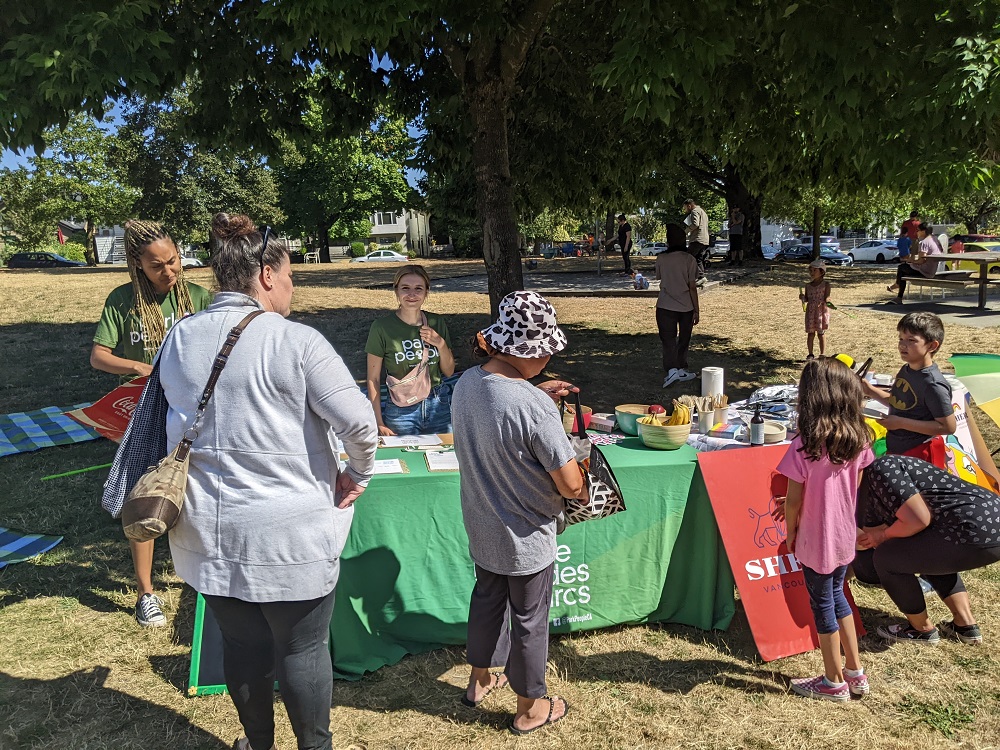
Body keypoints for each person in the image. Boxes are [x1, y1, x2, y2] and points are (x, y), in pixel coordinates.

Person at [157, 213, 378, 750]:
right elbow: (360, 424)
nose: (293, 288)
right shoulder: (296, 341)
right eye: (291, 276)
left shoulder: (180, 337)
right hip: (288, 534)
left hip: (208, 526)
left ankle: (259, 744)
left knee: (242, 644)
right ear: (266, 275)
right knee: (303, 650)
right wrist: (357, 471)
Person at [452, 290, 586, 735]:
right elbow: (569, 482)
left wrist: (536, 396)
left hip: (482, 522)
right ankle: (530, 706)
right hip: (526, 532)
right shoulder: (533, 406)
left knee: (487, 600)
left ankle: (479, 679)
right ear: (533, 351)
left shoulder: (467, 383)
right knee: (530, 619)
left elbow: (501, 407)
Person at [91, 219, 213, 627]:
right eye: (157, 265)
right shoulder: (122, 300)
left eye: (174, 261)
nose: (169, 271)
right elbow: (99, 356)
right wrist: (143, 367)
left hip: (189, 411)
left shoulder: (197, 297)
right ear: (137, 263)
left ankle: (199, 576)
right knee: (141, 496)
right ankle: (147, 592)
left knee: (197, 491)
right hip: (143, 410)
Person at [776, 358, 875, 701]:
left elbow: (792, 500)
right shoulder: (860, 439)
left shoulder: (804, 444)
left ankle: (832, 682)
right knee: (838, 597)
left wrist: (791, 531)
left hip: (816, 540)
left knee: (822, 606)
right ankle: (855, 671)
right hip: (843, 536)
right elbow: (851, 488)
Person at [855, 455, 1000, 645]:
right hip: (990, 527)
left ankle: (921, 630)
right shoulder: (882, 474)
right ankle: (965, 625)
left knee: (886, 559)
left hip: (971, 528)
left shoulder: (881, 469)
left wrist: (882, 536)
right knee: (921, 550)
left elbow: (918, 519)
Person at [365, 265, 455, 436]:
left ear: (426, 292)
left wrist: (440, 343)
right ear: (396, 291)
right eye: (405, 288)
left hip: (439, 405)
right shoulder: (382, 327)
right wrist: (378, 422)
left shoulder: (436, 322)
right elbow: (373, 379)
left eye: (418, 288)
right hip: (401, 410)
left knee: (444, 458)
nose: (412, 294)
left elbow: (449, 371)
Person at [861, 312, 955, 464]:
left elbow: (948, 427)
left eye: (911, 340)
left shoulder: (933, 384)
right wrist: (869, 389)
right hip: (898, 450)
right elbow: (899, 403)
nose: (902, 345)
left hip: (920, 454)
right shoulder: (906, 370)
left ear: (932, 346)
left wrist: (900, 423)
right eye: (901, 339)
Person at [655, 223, 700, 388]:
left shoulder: (661, 258)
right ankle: (681, 367)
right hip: (686, 306)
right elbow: (692, 286)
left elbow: (659, 277)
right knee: (684, 338)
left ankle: (672, 369)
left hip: (665, 304)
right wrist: (696, 309)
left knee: (668, 339)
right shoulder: (689, 259)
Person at [886, 222, 944, 303]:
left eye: (917, 230)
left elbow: (921, 261)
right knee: (904, 269)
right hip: (935, 269)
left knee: (902, 268)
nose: (916, 232)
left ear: (923, 231)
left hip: (925, 271)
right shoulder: (935, 240)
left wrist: (911, 261)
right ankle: (898, 285)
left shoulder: (924, 242)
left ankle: (899, 291)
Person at [800, 259, 831, 359]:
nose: (812, 273)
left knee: (821, 333)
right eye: (810, 271)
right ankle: (810, 354)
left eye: (814, 270)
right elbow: (807, 299)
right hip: (811, 312)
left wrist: (828, 301)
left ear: (822, 272)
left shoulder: (826, 285)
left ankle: (822, 354)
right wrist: (803, 298)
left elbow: (827, 296)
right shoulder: (808, 286)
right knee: (811, 333)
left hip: (821, 311)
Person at [683, 198, 710, 283]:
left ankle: (688, 277)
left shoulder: (694, 211)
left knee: (688, 258)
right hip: (704, 239)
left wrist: (685, 231)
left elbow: (695, 224)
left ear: (689, 205)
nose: (685, 210)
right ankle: (701, 277)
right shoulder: (703, 212)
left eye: (685, 208)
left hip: (697, 239)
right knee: (698, 259)